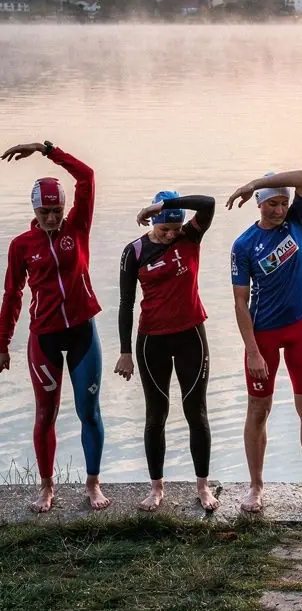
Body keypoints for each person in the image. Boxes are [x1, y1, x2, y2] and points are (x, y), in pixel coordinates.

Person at [0, 140, 109, 513]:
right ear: (34, 210)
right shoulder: (21, 245)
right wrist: (2, 344)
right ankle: (47, 488)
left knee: (89, 411)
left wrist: (46, 149)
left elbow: (87, 177)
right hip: (43, 336)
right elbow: (12, 295)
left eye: (57, 211)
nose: (51, 218)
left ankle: (93, 483)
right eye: (45, 211)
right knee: (45, 415)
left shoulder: (77, 228)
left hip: (82, 332)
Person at [227, 165, 302, 512]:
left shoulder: (296, 221)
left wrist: (255, 182)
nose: (278, 210)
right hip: (264, 333)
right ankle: (256, 486)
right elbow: (240, 302)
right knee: (259, 408)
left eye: (282, 203)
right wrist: (252, 351)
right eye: (271, 203)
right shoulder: (244, 245)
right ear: (259, 204)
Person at [115, 190, 219, 513]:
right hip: (152, 342)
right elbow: (126, 304)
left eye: (175, 228)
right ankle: (156, 488)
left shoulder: (191, 235)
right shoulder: (134, 251)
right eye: (164, 229)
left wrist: (165, 206)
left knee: (196, 413)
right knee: (156, 414)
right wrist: (124, 351)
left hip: (191, 337)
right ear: (153, 225)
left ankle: (202, 487)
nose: (171, 235)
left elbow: (208, 203)